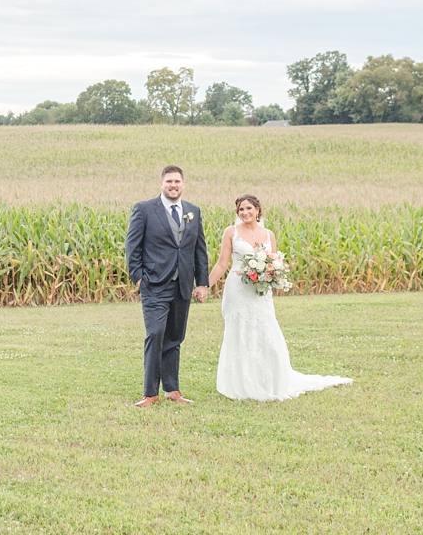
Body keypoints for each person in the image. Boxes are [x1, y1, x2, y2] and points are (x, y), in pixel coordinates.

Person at [210, 193, 352, 401]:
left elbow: (272, 262)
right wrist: (205, 285)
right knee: (239, 331)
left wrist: (270, 274)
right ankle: (241, 382)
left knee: (265, 331)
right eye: (241, 209)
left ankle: (269, 380)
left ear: (258, 210)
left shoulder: (269, 235)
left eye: (249, 208)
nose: (245, 212)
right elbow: (222, 263)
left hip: (260, 292)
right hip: (238, 290)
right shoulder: (231, 232)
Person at [124, 165, 209, 406]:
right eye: (169, 181)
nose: (173, 185)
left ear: (183, 185)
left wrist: (202, 282)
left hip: (182, 284)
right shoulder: (144, 209)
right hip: (154, 283)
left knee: (175, 336)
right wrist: (139, 277)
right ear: (161, 184)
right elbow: (133, 246)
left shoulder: (193, 211)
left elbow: (198, 250)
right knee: (155, 333)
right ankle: (150, 392)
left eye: (177, 182)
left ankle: (172, 389)